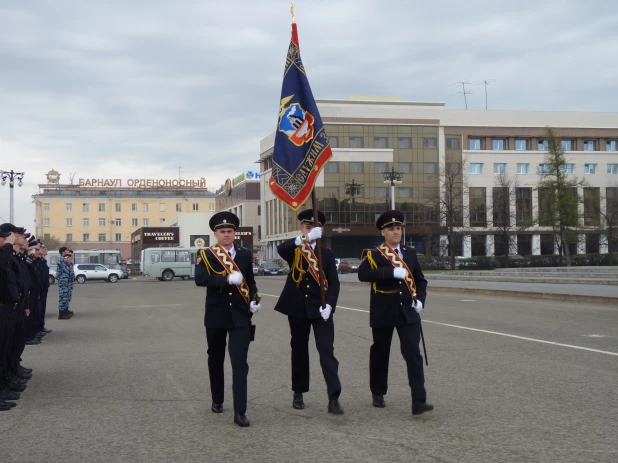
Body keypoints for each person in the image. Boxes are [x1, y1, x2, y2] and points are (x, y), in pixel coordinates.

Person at [357, 210, 433, 415]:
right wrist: (389, 272)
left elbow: (420, 280)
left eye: (398, 228)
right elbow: (362, 274)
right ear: (383, 232)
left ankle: (419, 400)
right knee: (381, 353)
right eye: (391, 229)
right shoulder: (374, 254)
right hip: (383, 310)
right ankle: (378, 392)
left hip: (408, 311)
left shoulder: (409, 253)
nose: (396, 232)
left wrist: (420, 301)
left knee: (413, 354)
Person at [194, 211, 260, 427]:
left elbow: (250, 281)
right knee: (215, 359)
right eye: (222, 231)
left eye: (230, 231)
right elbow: (200, 279)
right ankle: (217, 398)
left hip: (240, 315)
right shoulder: (206, 254)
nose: (226, 235)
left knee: (240, 363)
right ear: (215, 233)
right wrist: (227, 279)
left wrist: (253, 299)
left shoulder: (244, 254)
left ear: (235, 233)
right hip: (216, 315)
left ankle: (240, 411)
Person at [274, 209, 343, 414]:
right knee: (299, 351)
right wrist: (304, 239)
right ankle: (298, 392)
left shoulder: (327, 254)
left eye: (314, 227)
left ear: (320, 230)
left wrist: (329, 305)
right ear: (302, 228)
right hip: (297, 308)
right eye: (307, 226)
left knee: (326, 351)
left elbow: (334, 284)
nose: (310, 229)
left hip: (320, 308)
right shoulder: (294, 249)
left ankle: (334, 396)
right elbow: (280, 249)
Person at [56, 248, 74, 319]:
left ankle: (65, 311)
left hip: (67, 282)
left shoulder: (66, 260)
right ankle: (62, 314)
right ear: (63, 252)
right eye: (67, 250)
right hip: (63, 282)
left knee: (66, 297)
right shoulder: (62, 260)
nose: (69, 252)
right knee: (63, 297)